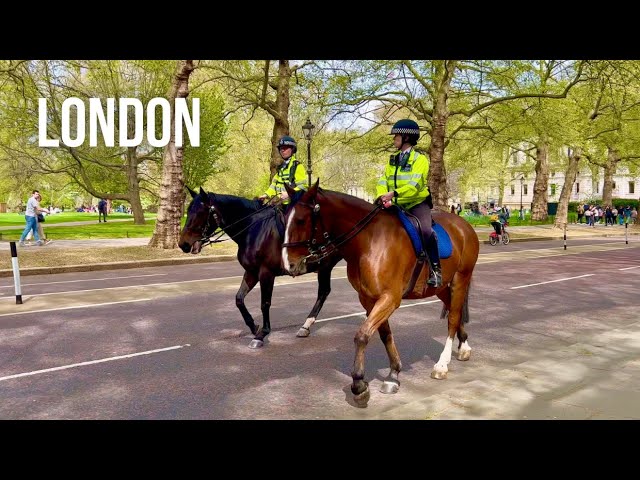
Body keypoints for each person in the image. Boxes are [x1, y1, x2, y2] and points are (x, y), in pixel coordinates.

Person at [376, 119, 442, 287]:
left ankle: (436, 270)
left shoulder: (420, 160)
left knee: (426, 231)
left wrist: (394, 194)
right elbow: (383, 180)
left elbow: (414, 186)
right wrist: (381, 196)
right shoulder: (393, 159)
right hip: (395, 203)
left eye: (396, 136)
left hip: (416, 204)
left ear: (406, 137)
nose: (393, 139)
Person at [258, 135, 308, 206]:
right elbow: (274, 185)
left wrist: (288, 193)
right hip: (281, 203)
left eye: (285, 148)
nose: (282, 150)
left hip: (294, 205)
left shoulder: (297, 166)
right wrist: (266, 195)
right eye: (281, 148)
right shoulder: (281, 167)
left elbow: (303, 186)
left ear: (292, 149)